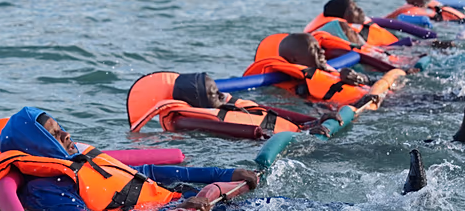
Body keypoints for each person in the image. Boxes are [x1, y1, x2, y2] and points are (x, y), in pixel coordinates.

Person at [0, 107, 259, 211]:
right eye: (56, 136)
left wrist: (224, 173)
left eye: (62, 129)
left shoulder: (81, 158)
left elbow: (147, 173)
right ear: (37, 146)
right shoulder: (45, 189)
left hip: (182, 203)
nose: (68, 136)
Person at [127, 71, 342, 138]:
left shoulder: (223, 103)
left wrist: (313, 121)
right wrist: (258, 134)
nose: (222, 95)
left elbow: (268, 112)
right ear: (198, 102)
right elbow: (220, 127)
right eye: (213, 93)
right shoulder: (185, 120)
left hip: (295, 132)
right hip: (269, 139)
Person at [243, 33, 385, 109]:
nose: (322, 51)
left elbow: (377, 83)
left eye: (319, 47)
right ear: (294, 59)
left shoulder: (333, 71)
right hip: (370, 109)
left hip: (382, 100)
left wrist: (360, 78)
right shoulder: (299, 88)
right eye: (314, 49)